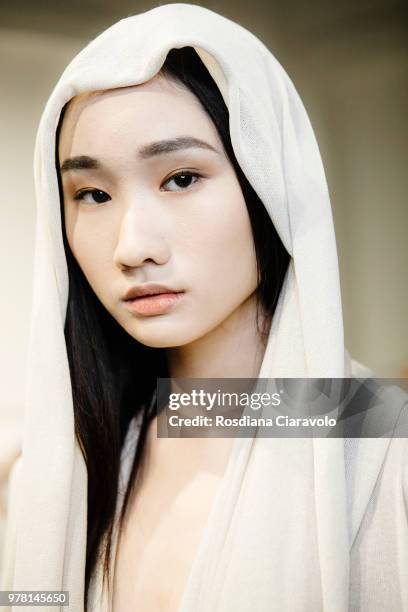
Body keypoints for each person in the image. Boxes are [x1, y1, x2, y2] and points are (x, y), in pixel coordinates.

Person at [1, 4, 407, 612]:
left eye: (182, 178)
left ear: (269, 181)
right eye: (92, 194)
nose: (132, 246)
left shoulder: (382, 447)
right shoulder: (50, 471)